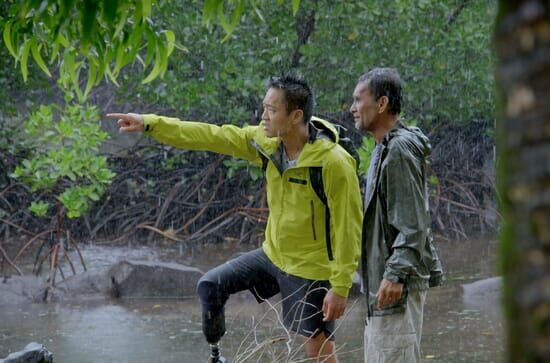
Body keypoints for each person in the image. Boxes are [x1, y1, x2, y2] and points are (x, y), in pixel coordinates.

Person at [107, 74, 362, 363]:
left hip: (311, 268)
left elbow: (349, 229)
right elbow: (212, 135)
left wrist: (340, 288)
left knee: (318, 353)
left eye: (272, 110)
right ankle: (217, 357)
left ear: (296, 116)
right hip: (274, 255)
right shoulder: (267, 143)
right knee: (210, 286)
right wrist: (150, 123)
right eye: (263, 108)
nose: (263, 117)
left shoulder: (334, 164)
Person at [349, 68, 443, 363]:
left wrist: (395, 274)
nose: (352, 108)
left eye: (357, 100)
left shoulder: (399, 149)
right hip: (383, 283)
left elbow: (413, 224)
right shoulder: (383, 147)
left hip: (394, 285)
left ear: (382, 104)